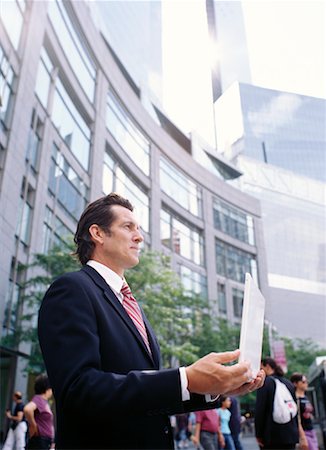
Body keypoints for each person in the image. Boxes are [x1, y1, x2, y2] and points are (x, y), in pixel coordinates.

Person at [38, 193, 265, 450]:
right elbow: (79, 390)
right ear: (98, 234)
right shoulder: (72, 290)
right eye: (128, 227)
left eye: (139, 229)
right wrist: (185, 377)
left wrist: (217, 387)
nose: (139, 237)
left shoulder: (131, 304)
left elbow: (148, 398)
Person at [255, 357, 299, 450]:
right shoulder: (288, 383)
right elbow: (295, 409)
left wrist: (258, 434)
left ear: (266, 366)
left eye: (260, 367)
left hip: (272, 436)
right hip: (291, 435)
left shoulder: (264, 383)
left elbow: (260, 410)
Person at [24, 374, 55, 449]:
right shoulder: (39, 399)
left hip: (44, 441)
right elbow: (27, 409)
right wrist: (33, 425)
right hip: (39, 442)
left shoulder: (43, 401)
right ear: (47, 388)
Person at [290, 372, 319, 450]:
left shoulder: (305, 397)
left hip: (311, 430)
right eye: (303, 382)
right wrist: (302, 436)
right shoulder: (295, 399)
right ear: (295, 383)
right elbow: (297, 418)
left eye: (306, 381)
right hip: (304, 432)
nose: (306, 383)